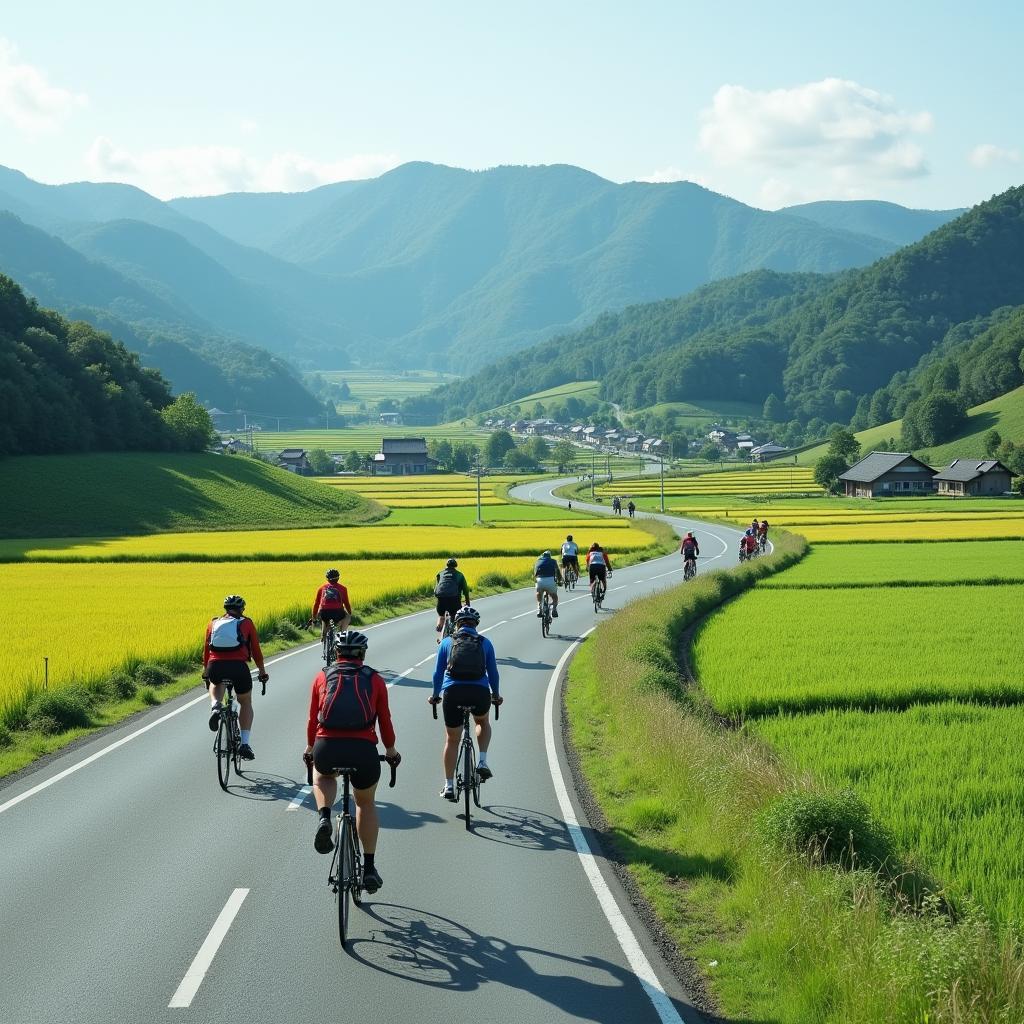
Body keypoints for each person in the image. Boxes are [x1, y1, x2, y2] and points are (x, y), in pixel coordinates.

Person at [304, 630, 400, 893]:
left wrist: (310, 748)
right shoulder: (375, 679)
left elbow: (313, 719)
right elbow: (385, 720)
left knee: (322, 776)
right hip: (363, 751)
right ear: (363, 654)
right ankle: (369, 868)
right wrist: (391, 751)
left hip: (328, 747)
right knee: (365, 804)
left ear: (336, 653)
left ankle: (324, 817)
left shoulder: (322, 676)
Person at [428, 606, 501, 801]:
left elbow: (437, 674)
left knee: (452, 739)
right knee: (482, 722)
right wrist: (496, 695)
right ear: (476, 624)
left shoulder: (446, 642)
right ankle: (483, 761)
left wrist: (435, 695)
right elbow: (493, 673)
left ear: (457, 624)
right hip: (479, 692)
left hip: (453, 693)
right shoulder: (485, 643)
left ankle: (449, 785)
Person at [203, 595, 269, 760]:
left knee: (215, 682)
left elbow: (206, 650)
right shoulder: (246, 623)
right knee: (245, 701)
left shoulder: (213, 623)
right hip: (238, 668)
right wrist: (262, 671)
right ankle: (245, 744)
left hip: (215, 665)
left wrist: (206, 671)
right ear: (241, 609)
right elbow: (256, 651)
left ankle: (216, 706)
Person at [311, 569, 352, 643]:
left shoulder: (321, 588)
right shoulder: (343, 588)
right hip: (338, 613)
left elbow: (316, 604)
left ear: (327, 578)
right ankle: (342, 635)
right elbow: (346, 603)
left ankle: (323, 633)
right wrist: (350, 614)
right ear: (338, 578)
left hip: (324, 614)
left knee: (323, 614)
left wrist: (314, 618)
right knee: (347, 616)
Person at [433, 557, 470, 638]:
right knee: (455, 617)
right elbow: (466, 591)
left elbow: (436, 589)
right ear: (455, 566)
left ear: (446, 565)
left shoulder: (440, 573)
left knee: (441, 616)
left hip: (441, 601)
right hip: (454, 601)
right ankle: (455, 634)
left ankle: (440, 630)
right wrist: (467, 603)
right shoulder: (460, 575)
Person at [533, 549, 563, 617]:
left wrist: (535, 581)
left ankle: (539, 609)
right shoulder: (553, 561)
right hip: (550, 581)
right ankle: (554, 609)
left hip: (539, 580)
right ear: (550, 556)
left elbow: (535, 574)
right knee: (554, 597)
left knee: (539, 593)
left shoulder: (538, 561)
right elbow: (558, 572)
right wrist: (560, 581)